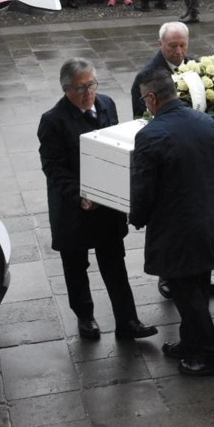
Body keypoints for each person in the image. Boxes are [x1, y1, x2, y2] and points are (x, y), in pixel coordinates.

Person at [37, 58, 158, 342]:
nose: (89, 91)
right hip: (74, 207)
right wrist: (80, 195)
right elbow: (53, 167)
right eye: (81, 87)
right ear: (66, 89)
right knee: (76, 266)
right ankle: (85, 316)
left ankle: (127, 321)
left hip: (107, 205)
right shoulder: (53, 120)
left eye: (92, 84)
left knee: (114, 263)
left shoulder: (106, 103)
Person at [129, 68, 214, 376]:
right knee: (196, 287)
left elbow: (144, 187)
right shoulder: (206, 122)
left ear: (151, 98)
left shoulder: (150, 135)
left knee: (187, 296)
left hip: (176, 229)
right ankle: (190, 343)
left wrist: (137, 217)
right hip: (208, 220)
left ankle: (213, 355)